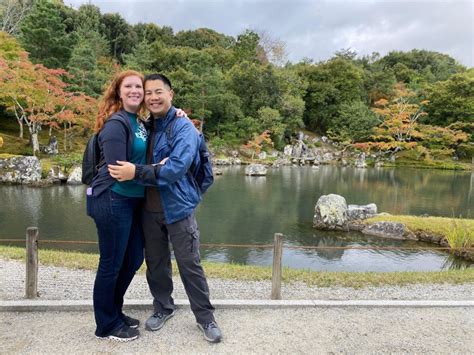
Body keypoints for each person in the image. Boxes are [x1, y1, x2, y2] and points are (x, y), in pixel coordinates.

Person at [108, 73, 222, 343]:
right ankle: (163, 307)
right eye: (149, 93)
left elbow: (176, 168)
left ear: (171, 94)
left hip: (179, 208)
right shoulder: (146, 126)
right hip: (149, 210)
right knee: (156, 264)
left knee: (189, 264)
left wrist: (136, 171)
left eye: (159, 91)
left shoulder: (183, 127)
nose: (153, 97)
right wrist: (151, 169)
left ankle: (205, 318)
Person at [86, 70, 148, 342]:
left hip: (132, 201)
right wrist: (157, 170)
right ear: (119, 92)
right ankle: (106, 324)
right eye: (129, 86)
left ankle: (114, 310)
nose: (135, 90)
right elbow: (118, 169)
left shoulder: (141, 123)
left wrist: (179, 113)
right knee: (111, 263)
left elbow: (138, 165)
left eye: (139, 86)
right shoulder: (116, 123)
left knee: (133, 258)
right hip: (111, 198)